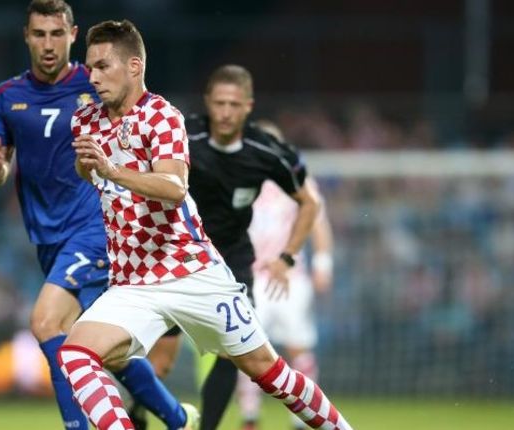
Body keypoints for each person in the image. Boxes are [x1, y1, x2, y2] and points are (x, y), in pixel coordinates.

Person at [61, 20, 352, 430]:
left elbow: (174, 187)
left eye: (103, 66)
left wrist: (112, 170)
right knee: (75, 354)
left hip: (191, 271)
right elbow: (90, 174)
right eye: (89, 67)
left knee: (269, 373)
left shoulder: (162, 117)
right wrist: (87, 164)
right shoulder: (87, 119)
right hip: (132, 282)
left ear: (134, 66)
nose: (92, 77)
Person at [0, 2, 194, 429]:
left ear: (72, 34)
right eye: (39, 35)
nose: (48, 44)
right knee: (101, 346)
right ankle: (178, 418)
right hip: (47, 238)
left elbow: (138, 120)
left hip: (95, 226)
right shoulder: (8, 96)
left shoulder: (94, 82)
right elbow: (0, 166)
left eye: (56, 34)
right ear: (26, 37)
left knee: (45, 321)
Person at [143, 65, 323, 430]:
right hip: (177, 255)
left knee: (234, 352)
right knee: (158, 361)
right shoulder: (182, 137)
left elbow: (310, 203)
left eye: (234, 104)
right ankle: (136, 417)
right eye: (219, 103)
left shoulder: (266, 151)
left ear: (248, 106)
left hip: (230, 262)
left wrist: (286, 258)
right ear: (207, 102)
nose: (225, 112)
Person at [236, 120, 335, 430]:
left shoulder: (296, 179)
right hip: (252, 280)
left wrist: (323, 263)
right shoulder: (241, 178)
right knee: (247, 351)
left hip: (291, 279)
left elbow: (318, 222)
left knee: (298, 348)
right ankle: (250, 417)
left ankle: (301, 419)